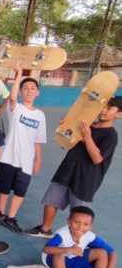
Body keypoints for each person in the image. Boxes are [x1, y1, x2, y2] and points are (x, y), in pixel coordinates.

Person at [27, 96, 122, 238]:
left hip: (86, 178)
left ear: (119, 114)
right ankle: (45, 229)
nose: (103, 110)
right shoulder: (86, 124)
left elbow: (97, 159)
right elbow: (64, 142)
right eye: (103, 106)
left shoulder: (111, 135)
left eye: (109, 108)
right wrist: (66, 125)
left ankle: (77, 241)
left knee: (80, 213)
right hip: (67, 169)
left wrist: (87, 136)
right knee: (51, 200)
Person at [0, 61, 46, 234]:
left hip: (26, 161)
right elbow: (12, 98)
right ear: (21, 92)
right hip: (8, 156)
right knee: (4, 188)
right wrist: (19, 74)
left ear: (37, 92)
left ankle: (11, 217)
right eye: (25, 88)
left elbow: (38, 139)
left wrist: (38, 159)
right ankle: (0, 213)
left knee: (20, 191)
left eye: (32, 88)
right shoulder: (17, 109)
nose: (29, 91)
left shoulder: (40, 115)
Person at [42, 206, 121, 268]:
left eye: (86, 224)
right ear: (69, 221)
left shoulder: (89, 236)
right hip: (52, 260)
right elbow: (46, 249)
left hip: (74, 260)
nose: (80, 227)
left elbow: (112, 253)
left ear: (91, 226)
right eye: (77, 222)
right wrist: (68, 249)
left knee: (102, 253)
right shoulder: (62, 234)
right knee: (59, 254)